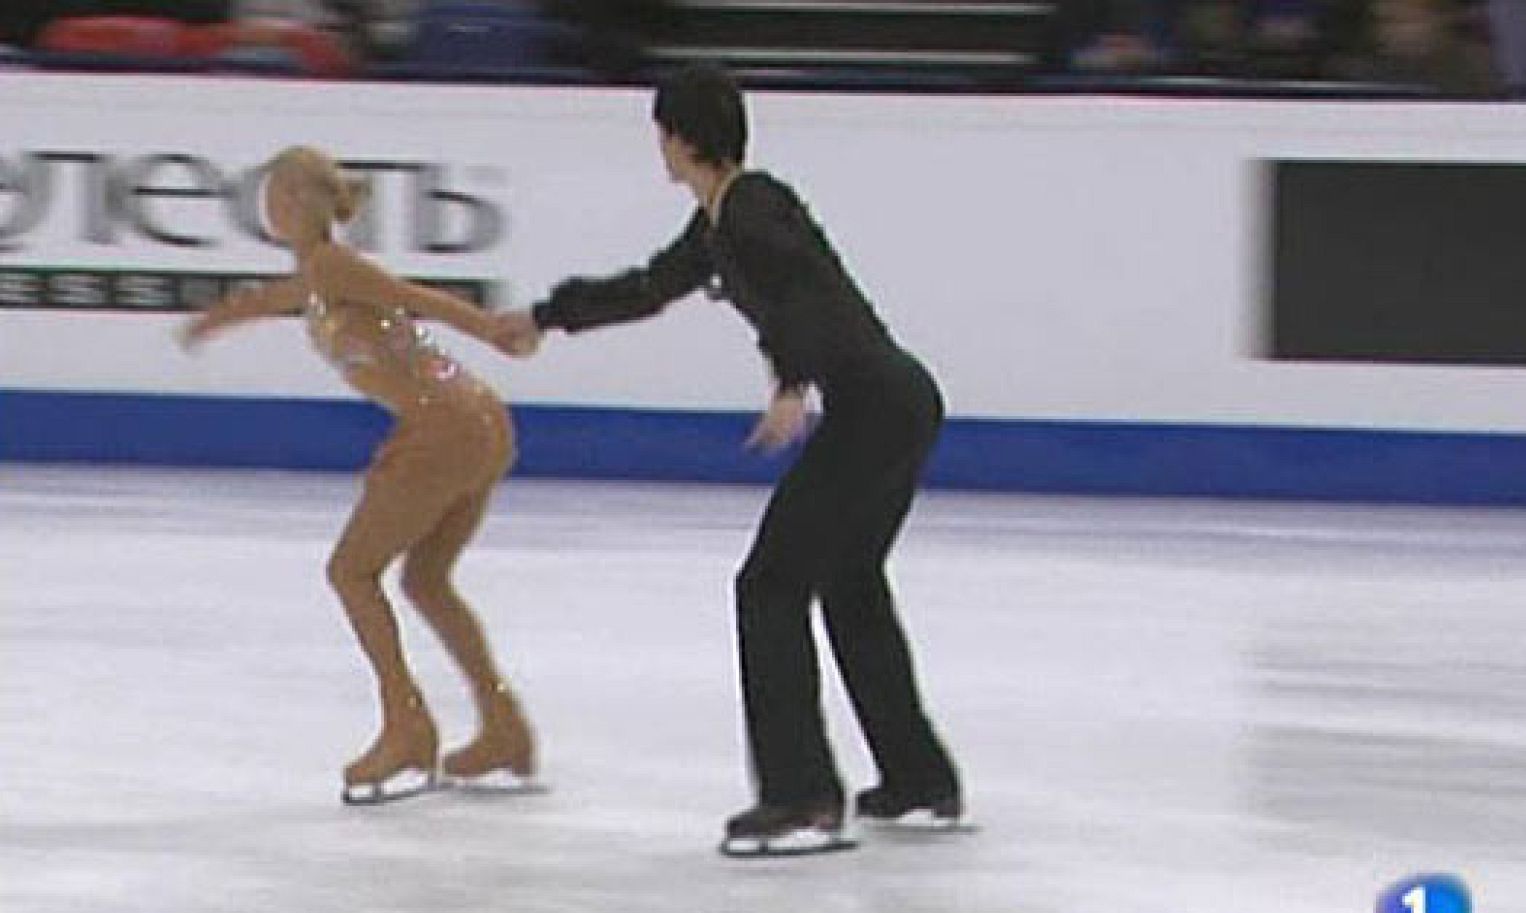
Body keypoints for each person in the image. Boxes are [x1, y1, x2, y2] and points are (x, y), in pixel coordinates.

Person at [492, 65, 963, 855]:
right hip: (894, 404)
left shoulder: (753, 205)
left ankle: (801, 795)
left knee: (770, 584)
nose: (660, 148)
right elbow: (648, 287)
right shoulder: (715, 226)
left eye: (662, 133)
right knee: (846, 579)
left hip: (877, 406)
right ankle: (918, 778)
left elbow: (804, 292)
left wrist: (789, 381)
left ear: (680, 137)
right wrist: (547, 317)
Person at [181, 145, 536, 804]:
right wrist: (218, 319)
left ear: (294, 201)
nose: (269, 204)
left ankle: (406, 724)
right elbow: (277, 298)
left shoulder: (331, 264)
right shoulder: (317, 275)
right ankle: (503, 724)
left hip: (444, 426)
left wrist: (491, 329)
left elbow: (410, 296)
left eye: (276, 192)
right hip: (476, 419)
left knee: (351, 571)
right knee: (425, 579)